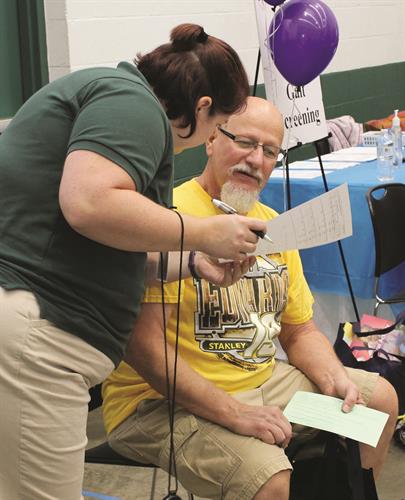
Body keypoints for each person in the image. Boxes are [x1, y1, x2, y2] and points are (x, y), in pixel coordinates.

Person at [0, 24, 267, 500]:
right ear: (202, 108)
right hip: (39, 335)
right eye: (219, 126)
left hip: (31, 327)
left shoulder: (114, 98)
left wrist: (193, 263)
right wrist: (204, 231)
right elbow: (87, 203)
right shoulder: (133, 104)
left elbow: (104, 244)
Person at [103, 96, 398, 500]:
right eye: (244, 142)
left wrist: (334, 376)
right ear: (211, 139)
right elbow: (146, 352)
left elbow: (299, 331)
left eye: (270, 151)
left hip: (262, 380)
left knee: (379, 402)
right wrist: (235, 413)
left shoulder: (273, 226)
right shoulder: (169, 218)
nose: (256, 160)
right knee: (267, 475)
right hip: (159, 401)